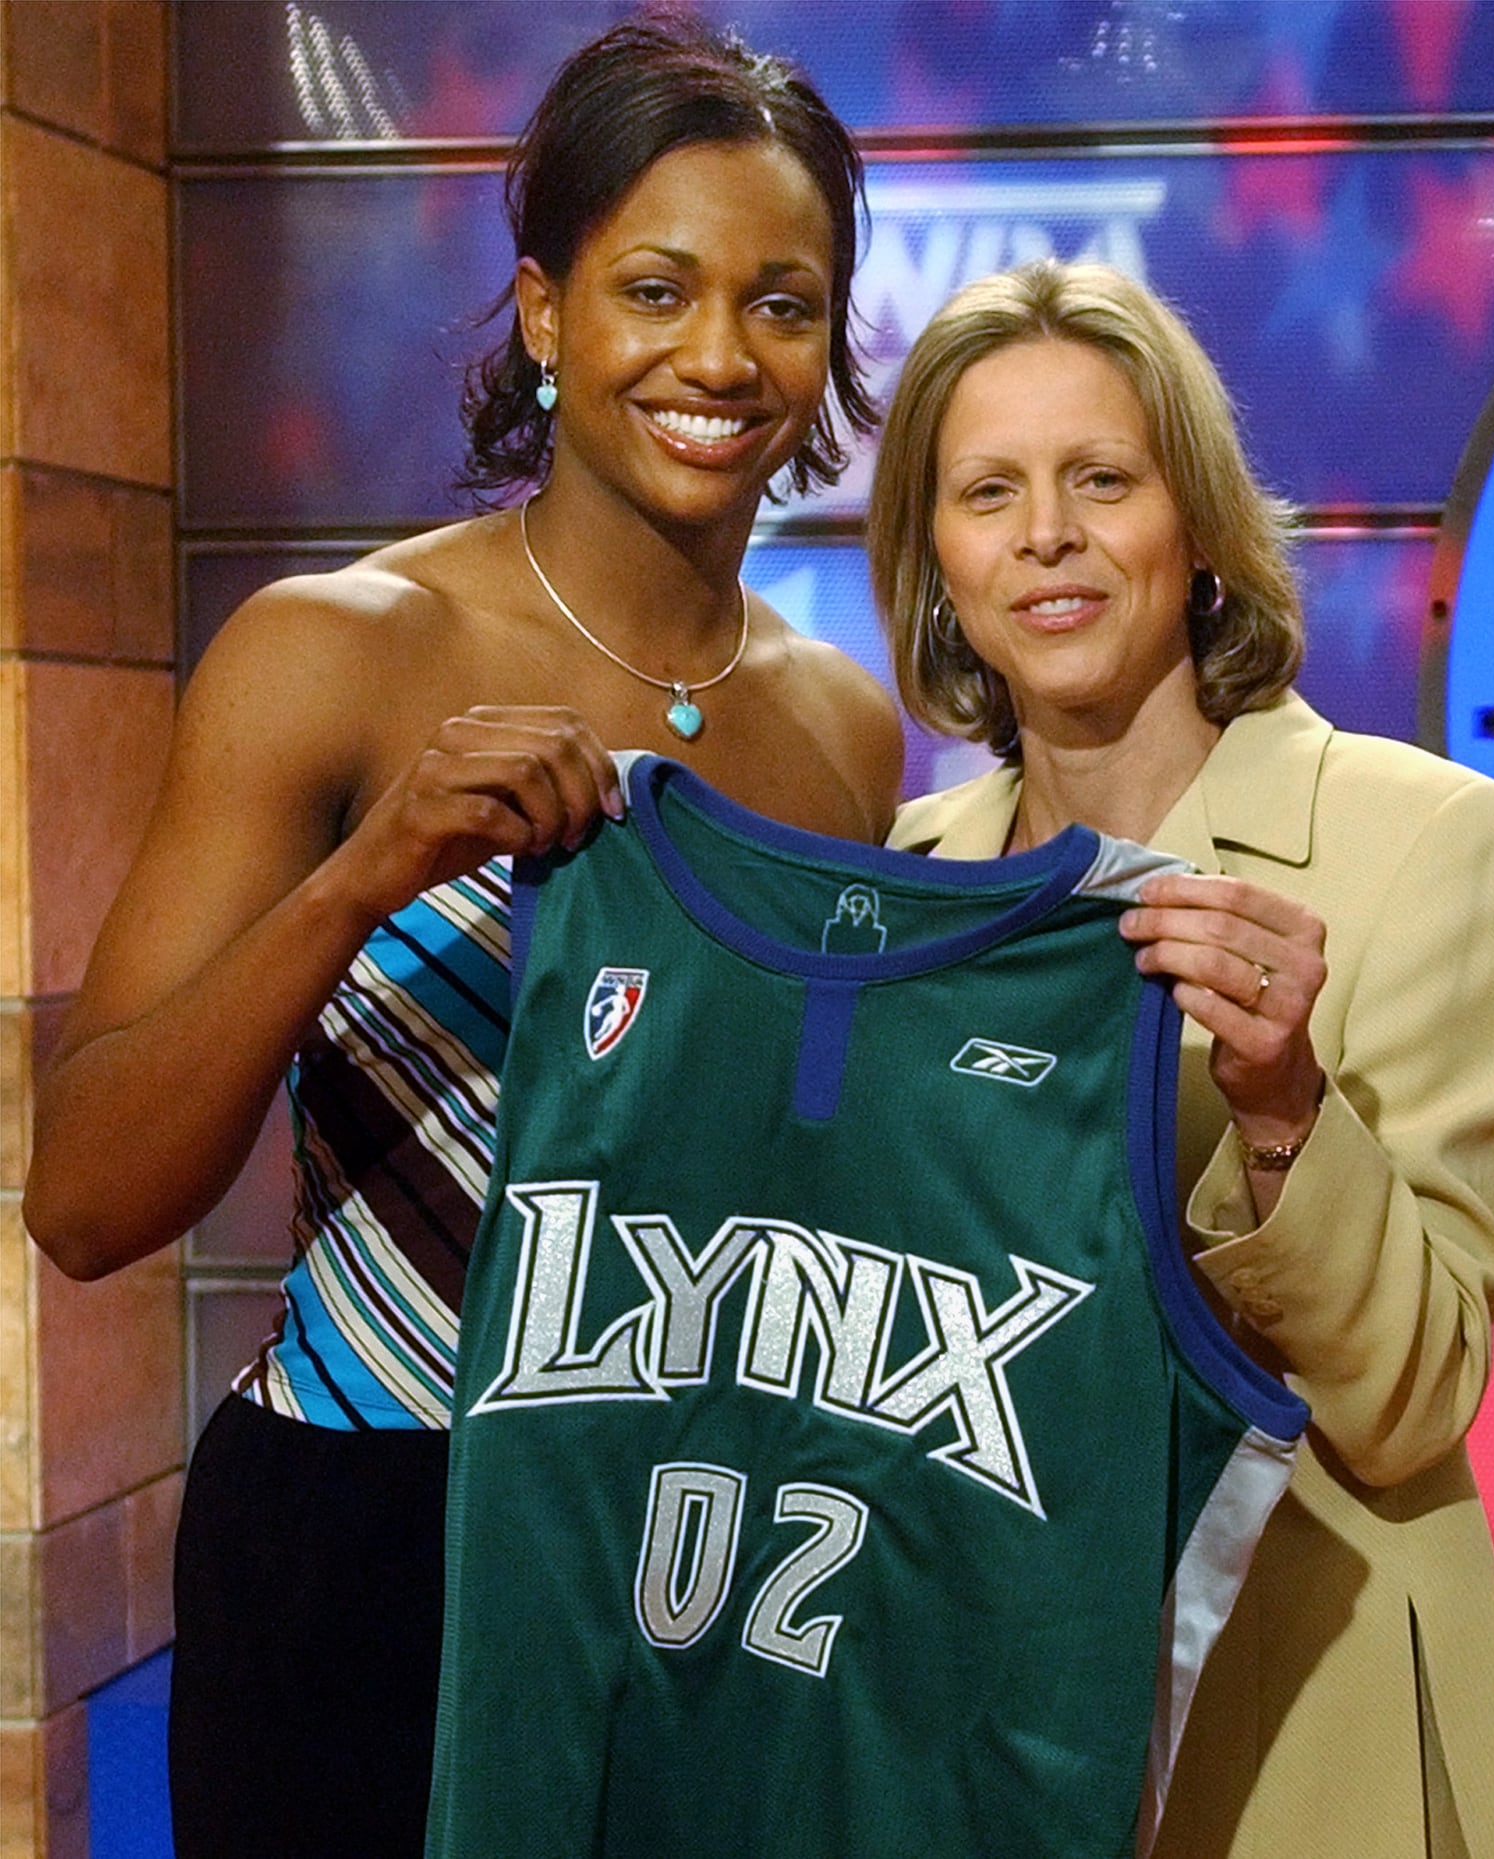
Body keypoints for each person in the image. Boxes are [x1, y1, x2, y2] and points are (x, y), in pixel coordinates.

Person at [23, 15, 902, 1857]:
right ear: (544, 312)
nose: (720, 357)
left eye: (784, 301)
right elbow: (89, 1201)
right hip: (366, 1538)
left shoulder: (841, 729)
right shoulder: (333, 651)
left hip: (697, 1538)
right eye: (654, 288)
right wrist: (364, 877)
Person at [868, 257, 1494, 1859]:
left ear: (1195, 531)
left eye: (1101, 478)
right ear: (938, 560)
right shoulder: (904, 870)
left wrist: (1282, 1115)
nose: (1047, 533)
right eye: (989, 492)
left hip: (1311, 1724)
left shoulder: (1436, 843)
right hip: (995, 1722)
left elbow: (1408, 1401)